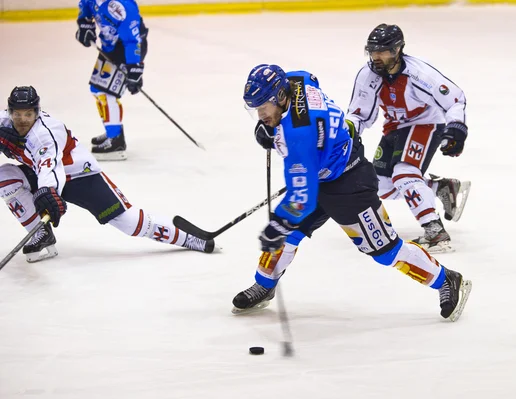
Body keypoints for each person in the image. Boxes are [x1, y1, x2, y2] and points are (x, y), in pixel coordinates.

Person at [231, 65, 471, 321]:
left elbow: (301, 198)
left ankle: (447, 279)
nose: (260, 114)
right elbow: (311, 77)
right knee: (288, 234)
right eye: (255, 109)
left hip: (349, 183)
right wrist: (271, 126)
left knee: (385, 250)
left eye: (263, 107)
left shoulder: (298, 136)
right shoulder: (296, 80)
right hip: (325, 167)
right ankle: (265, 285)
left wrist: (276, 225)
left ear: (280, 97)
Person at [0, 86, 214, 263]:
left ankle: (189, 238)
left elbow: (49, 166)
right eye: (17, 114)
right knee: (4, 177)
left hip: (80, 176)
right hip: (45, 173)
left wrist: (48, 191)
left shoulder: (46, 133)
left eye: (28, 114)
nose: (22, 119)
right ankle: (41, 233)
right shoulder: (4, 124)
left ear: (36, 112)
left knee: (129, 223)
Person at [346, 23, 472, 253]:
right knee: (381, 185)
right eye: (372, 51)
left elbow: (454, 98)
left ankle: (434, 230)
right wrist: (347, 135)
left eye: (382, 51)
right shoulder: (368, 75)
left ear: (397, 50)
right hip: (394, 128)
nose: (376, 57)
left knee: (404, 173)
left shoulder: (419, 74)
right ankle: (441, 188)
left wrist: (456, 127)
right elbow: (358, 114)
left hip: (425, 123)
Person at [76, 0, 149, 161]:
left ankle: (116, 141)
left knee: (106, 93)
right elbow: (85, 6)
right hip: (111, 47)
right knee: (97, 90)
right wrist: (84, 24)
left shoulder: (120, 6)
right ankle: (112, 131)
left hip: (126, 51)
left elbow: (133, 40)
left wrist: (135, 67)